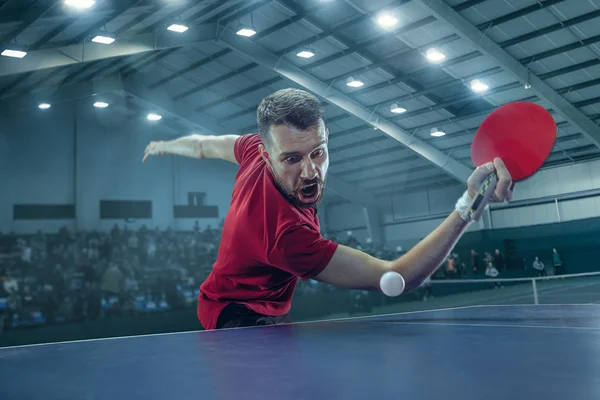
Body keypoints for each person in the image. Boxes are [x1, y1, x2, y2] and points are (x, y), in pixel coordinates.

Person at [142, 88, 514, 330]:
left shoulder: (253, 150)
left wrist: (165, 145)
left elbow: (205, 145)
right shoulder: (288, 238)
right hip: (233, 314)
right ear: (264, 154)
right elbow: (396, 278)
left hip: (271, 305)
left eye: (317, 152)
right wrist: (467, 206)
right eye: (292, 159)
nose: (310, 172)